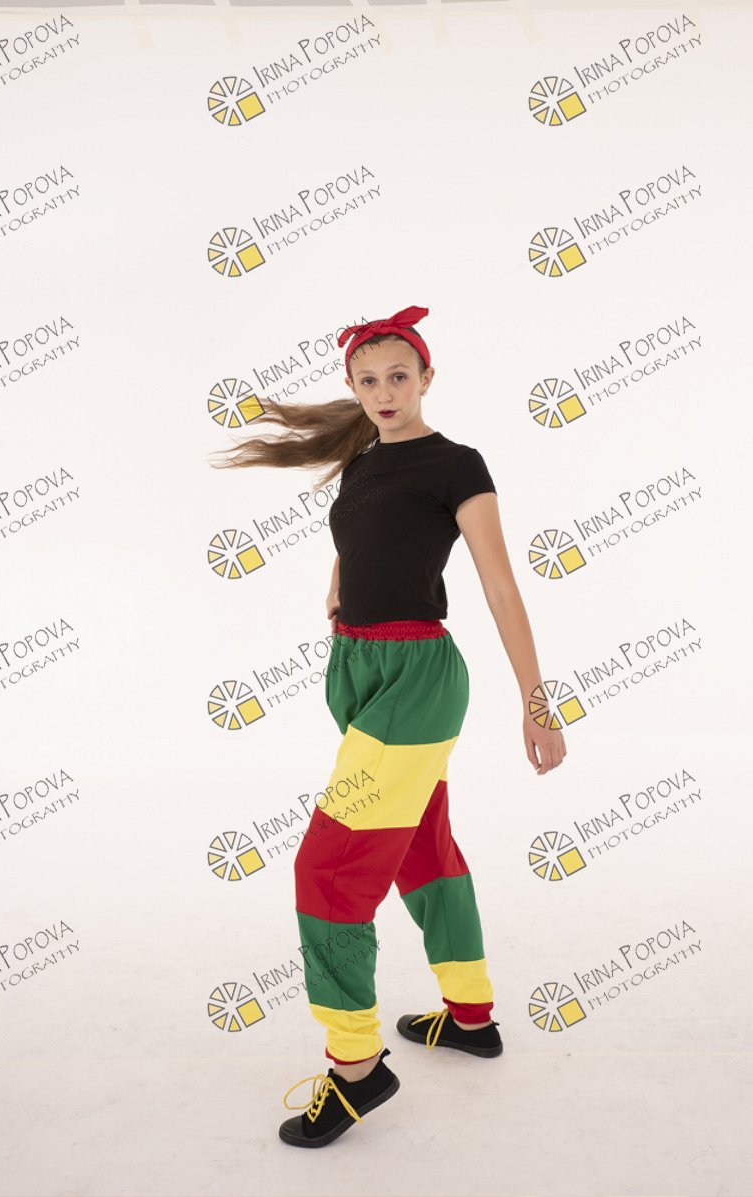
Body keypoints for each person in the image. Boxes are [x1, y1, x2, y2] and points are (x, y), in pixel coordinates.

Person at [209, 304, 566, 1149]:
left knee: (328, 869)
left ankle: (357, 1067)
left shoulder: (457, 464)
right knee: (421, 845)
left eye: (399, 376)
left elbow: (500, 584)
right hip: (357, 669)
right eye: (368, 379)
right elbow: (364, 532)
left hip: (416, 676)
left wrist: (536, 700)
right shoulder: (362, 459)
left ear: (427, 377)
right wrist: (337, 584)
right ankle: (470, 1016)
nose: (384, 391)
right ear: (353, 385)